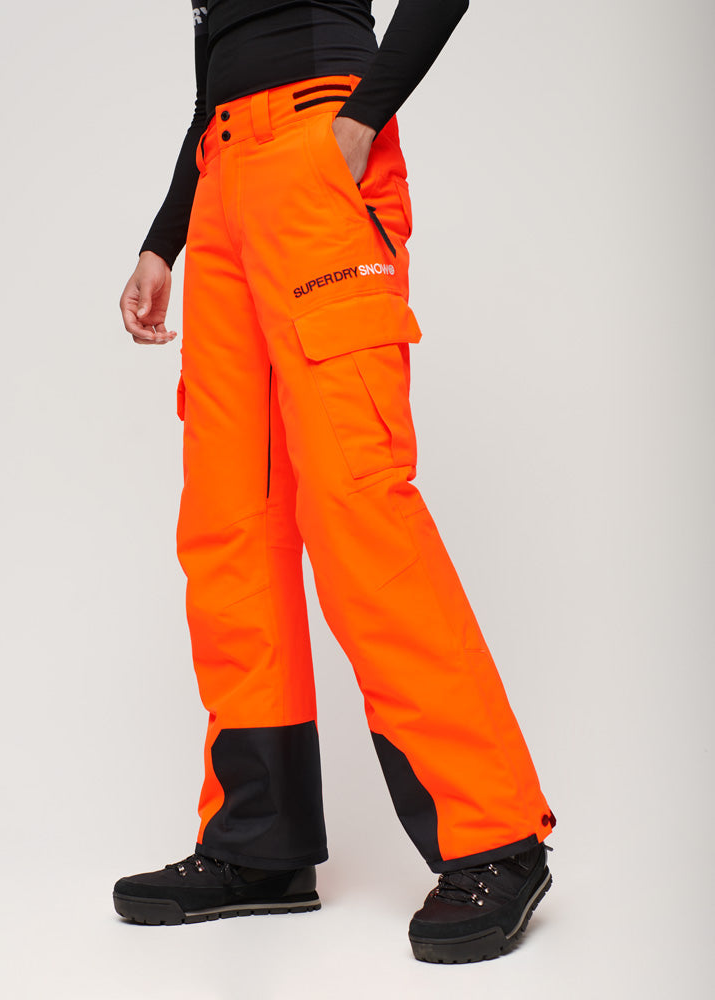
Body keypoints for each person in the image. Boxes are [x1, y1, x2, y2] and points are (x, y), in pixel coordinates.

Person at [115, 0, 556, 964]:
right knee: (231, 522)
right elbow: (215, 77)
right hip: (221, 179)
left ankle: (496, 836)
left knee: (358, 505)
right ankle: (258, 844)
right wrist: (163, 240)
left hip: (319, 148)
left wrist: (361, 118)